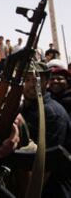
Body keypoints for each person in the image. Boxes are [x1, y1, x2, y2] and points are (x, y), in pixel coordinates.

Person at [21, 61, 71, 196]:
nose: (32, 84)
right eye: (27, 79)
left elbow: (47, 165)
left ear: (46, 82)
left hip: (52, 189)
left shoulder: (53, 113)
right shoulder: (22, 109)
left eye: (37, 80)